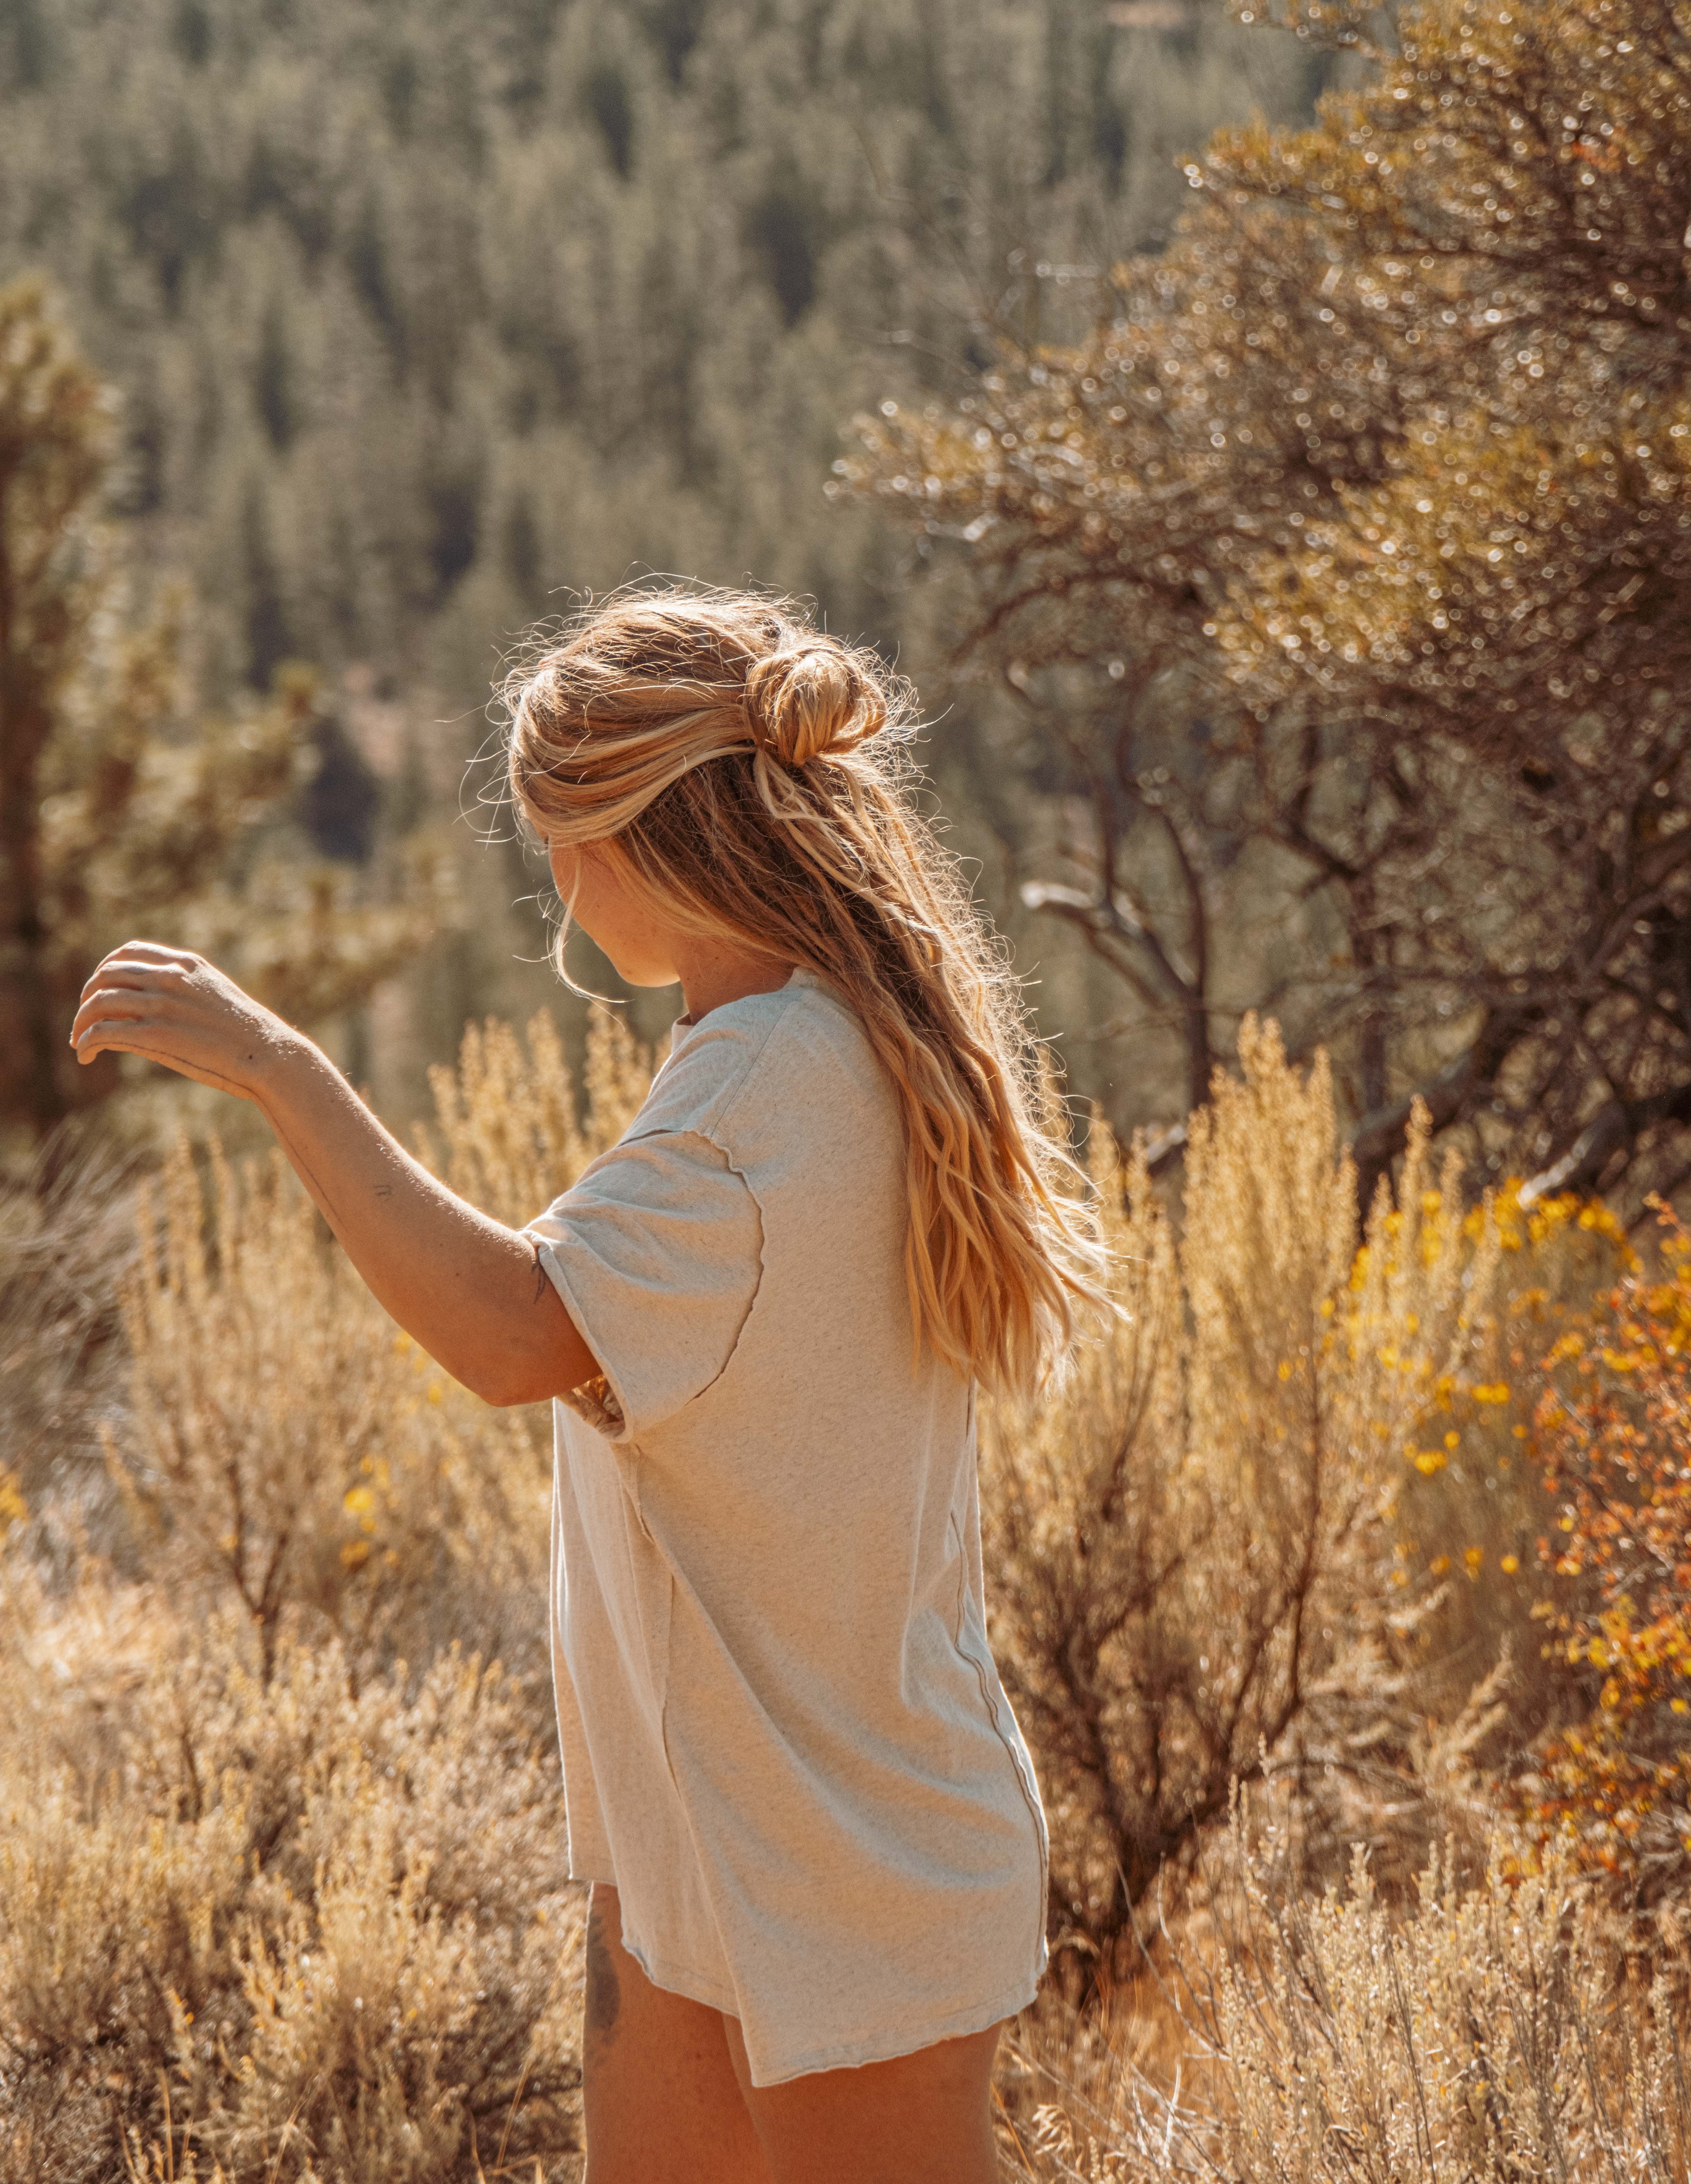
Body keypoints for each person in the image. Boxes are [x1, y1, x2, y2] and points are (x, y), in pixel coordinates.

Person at [72, 587, 1107, 2184]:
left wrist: (281, 1067)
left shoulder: (763, 1089)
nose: (555, 881)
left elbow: (512, 1332)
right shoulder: (787, 1038)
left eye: (562, 838)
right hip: (729, 1840)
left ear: (638, 838)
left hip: (832, 1864)